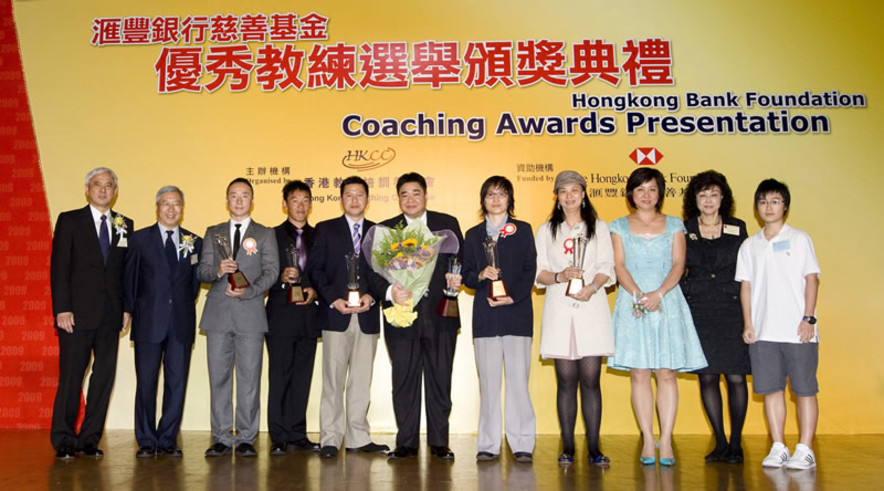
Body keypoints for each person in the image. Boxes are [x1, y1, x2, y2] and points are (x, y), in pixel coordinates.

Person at [608, 167, 707, 467]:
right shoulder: (617, 225)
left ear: (660, 193)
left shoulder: (675, 224)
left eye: (652, 189)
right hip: (633, 302)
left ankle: (666, 440)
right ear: (631, 194)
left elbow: (679, 264)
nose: (646, 195)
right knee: (639, 374)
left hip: (667, 302)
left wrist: (659, 294)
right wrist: (640, 296)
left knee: (667, 373)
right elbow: (619, 266)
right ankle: (648, 439)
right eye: (640, 189)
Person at [736, 179, 821, 470]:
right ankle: (778, 446)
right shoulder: (749, 245)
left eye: (774, 201)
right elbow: (745, 285)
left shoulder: (799, 239)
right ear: (756, 207)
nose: (768, 207)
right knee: (771, 390)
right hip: (763, 331)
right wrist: (749, 322)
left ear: (785, 205)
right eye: (762, 202)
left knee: (804, 390)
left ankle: (806, 448)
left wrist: (808, 318)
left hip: (798, 331)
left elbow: (812, 279)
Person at [49, 167, 133, 459]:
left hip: (110, 316)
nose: (103, 189)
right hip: (76, 316)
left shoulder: (124, 224)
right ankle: (63, 439)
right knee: (72, 377)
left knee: (103, 379)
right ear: (87, 189)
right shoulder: (70, 220)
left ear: (115, 191)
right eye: (97, 184)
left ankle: (89, 439)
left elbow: (125, 273)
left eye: (109, 185)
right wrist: (62, 308)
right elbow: (59, 268)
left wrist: (126, 308)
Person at [534, 170, 615, 466]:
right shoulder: (546, 231)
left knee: (591, 381)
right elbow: (539, 272)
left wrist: (593, 287)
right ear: (557, 198)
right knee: (566, 381)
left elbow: (607, 263)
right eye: (563, 191)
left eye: (574, 190)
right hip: (560, 310)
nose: (569, 196)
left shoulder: (599, 227)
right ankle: (567, 447)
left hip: (591, 308)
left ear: (583, 194)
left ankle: (594, 448)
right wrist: (559, 275)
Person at [382, 172, 464, 460]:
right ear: (399, 198)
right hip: (401, 318)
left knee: (440, 380)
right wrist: (391, 291)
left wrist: (457, 278)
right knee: (404, 381)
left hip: (441, 316)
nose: (410, 199)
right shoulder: (387, 230)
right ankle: (406, 443)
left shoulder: (447, 224)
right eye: (404, 194)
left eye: (415, 193)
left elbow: (460, 261)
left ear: (425, 195)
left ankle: (439, 443)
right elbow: (374, 273)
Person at [197, 178, 279, 458]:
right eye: (234, 195)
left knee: (249, 379)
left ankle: (246, 437)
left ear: (252, 201)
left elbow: (271, 272)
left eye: (245, 196)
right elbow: (202, 272)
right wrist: (218, 270)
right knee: (218, 378)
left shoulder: (265, 234)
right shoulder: (213, 232)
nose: (239, 200)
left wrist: (248, 291)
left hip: (250, 314)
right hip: (218, 315)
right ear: (227, 200)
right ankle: (220, 436)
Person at [308, 176, 389, 458]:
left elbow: (385, 274)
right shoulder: (326, 229)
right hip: (336, 314)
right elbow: (315, 270)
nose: (354, 199)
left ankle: (357, 437)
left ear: (367, 199)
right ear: (341, 199)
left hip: (367, 315)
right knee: (333, 379)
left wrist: (374, 297)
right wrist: (333, 299)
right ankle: (330, 437)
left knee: (360, 380)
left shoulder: (379, 232)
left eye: (359, 195)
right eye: (349, 195)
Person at [462, 176, 537, 463]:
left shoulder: (523, 230)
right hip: (486, 317)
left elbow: (530, 269)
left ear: (510, 199)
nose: (495, 199)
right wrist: (480, 275)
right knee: (489, 384)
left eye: (501, 194)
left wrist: (514, 296)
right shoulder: (473, 234)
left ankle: (522, 443)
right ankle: (488, 444)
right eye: (490, 194)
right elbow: (467, 275)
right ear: (483, 200)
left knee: (518, 381)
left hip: (517, 314)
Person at [124, 185, 202, 458]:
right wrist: (129, 310)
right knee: (146, 383)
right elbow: (130, 281)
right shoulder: (139, 239)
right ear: (157, 207)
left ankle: (167, 439)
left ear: (183, 208)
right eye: (166, 204)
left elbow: (193, 287)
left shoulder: (194, 241)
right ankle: (146, 439)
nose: (171, 209)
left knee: (176, 384)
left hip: (180, 324)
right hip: (148, 323)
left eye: (177, 204)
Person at [680, 171, 749, 463]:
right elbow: (676, 267)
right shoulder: (683, 229)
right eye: (702, 195)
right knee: (707, 377)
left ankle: (736, 443)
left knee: (735, 377)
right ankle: (719, 441)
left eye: (714, 194)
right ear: (694, 200)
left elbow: (748, 270)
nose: (708, 200)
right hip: (699, 309)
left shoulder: (737, 226)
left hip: (732, 307)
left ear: (723, 198)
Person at [264, 180, 321, 455]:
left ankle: (298, 434)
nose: (301, 205)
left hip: (309, 316)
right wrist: (279, 278)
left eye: (305, 200)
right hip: (280, 317)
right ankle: (278, 435)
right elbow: (258, 273)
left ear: (311, 204)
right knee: (279, 376)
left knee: (302, 377)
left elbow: (327, 272)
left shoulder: (320, 235)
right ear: (285, 204)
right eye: (295, 200)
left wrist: (316, 290)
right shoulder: (270, 235)